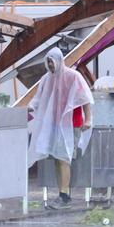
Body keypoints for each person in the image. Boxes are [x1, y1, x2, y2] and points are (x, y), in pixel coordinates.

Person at [28, 48, 93, 209]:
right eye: (48, 62)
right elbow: (38, 99)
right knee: (58, 159)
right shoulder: (47, 79)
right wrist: (28, 109)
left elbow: (85, 98)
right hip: (55, 124)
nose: (50, 65)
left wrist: (88, 119)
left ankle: (64, 197)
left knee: (63, 158)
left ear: (59, 60)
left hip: (71, 123)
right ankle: (63, 195)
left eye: (52, 61)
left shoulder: (73, 76)